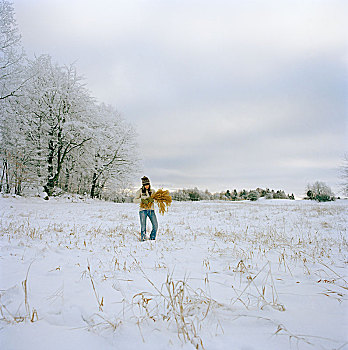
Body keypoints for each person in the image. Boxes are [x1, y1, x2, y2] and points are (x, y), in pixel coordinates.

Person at [134, 176, 158, 241]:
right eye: (145, 185)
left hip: (151, 210)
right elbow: (135, 200)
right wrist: (141, 200)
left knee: (155, 225)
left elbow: (157, 200)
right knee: (143, 227)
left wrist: (152, 200)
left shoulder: (152, 191)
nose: (146, 186)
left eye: (147, 184)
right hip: (143, 211)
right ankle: (143, 239)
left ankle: (152, 238)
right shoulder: (140, 191)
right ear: (143, 185)